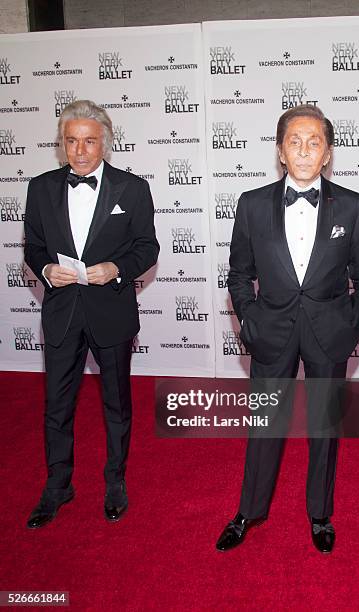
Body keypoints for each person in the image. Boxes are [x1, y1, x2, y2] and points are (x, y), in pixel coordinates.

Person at [216, 105, 359, 554]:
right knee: (265, 424)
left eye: (314, 142)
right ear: (280, 152)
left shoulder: (353, 204)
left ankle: (320, 514)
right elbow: (237, 273)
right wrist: (249, 319)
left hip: (330, 331)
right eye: (295, 141)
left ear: (327, 153)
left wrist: (351, 323)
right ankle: (249, 510)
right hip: (271, 329)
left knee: (324, 425)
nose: (305, 151)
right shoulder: (251, 204)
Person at [24, 100, 159, 528]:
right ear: (62, 144)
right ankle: (58, 484)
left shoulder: (132, 188)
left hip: (111, 311)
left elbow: (147, 247)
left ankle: (115, 481)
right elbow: (33, 247)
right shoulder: (40, 187)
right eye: (71, 141)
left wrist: (117, 268)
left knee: (116, 402)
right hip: (62, 311)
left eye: (89, 141)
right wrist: (45, 269)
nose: (80, 151)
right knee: (56, 405)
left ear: (106, 143)